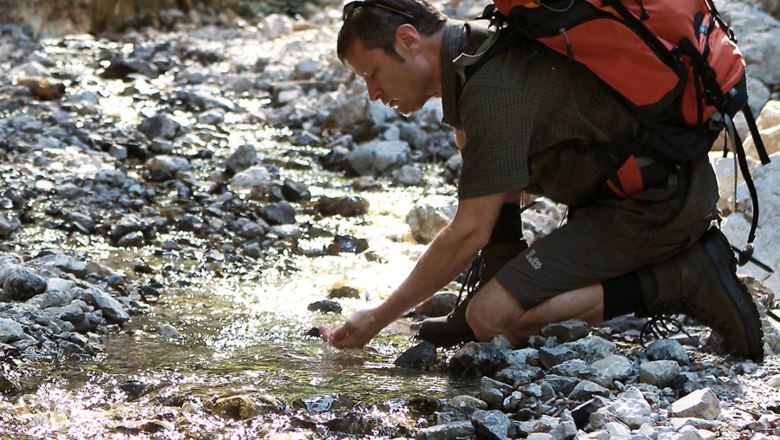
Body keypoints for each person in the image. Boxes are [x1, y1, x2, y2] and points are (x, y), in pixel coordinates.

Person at [320, 0, 764, 360]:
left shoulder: (490, 91)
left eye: (372, 74)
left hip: (654, 206)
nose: (373, 94)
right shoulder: (479, 46)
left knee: (491, 318)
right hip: (638, 189)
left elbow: (468, 230)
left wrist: (379, 317)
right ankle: (500, 266)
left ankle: (680, 277)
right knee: (467, 136)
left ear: (407, 39)